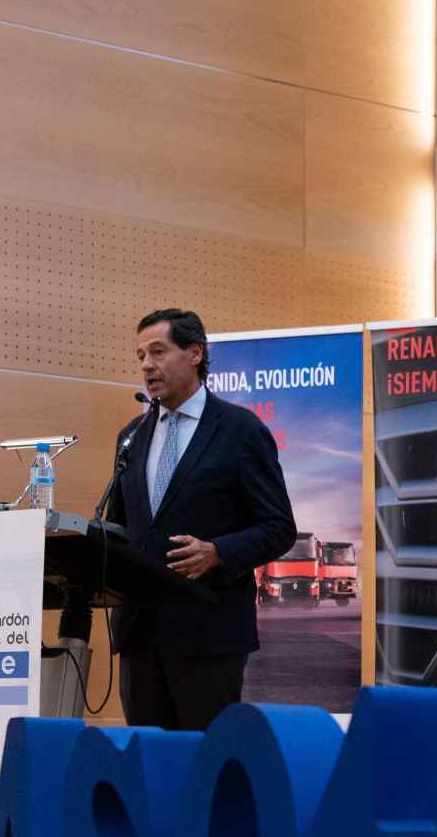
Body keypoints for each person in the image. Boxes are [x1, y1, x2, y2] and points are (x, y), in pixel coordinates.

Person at [104, 308, 297, 730]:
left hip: (209, 633)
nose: (147, 365)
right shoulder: (131, 436)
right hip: (139, 631)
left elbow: (279, 527)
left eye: (158, 352)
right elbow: (119, 525)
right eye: (141, 356)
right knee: (148, 759)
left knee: (206, 759)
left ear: (195, 353)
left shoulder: (240, 430)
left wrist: (217, 552)